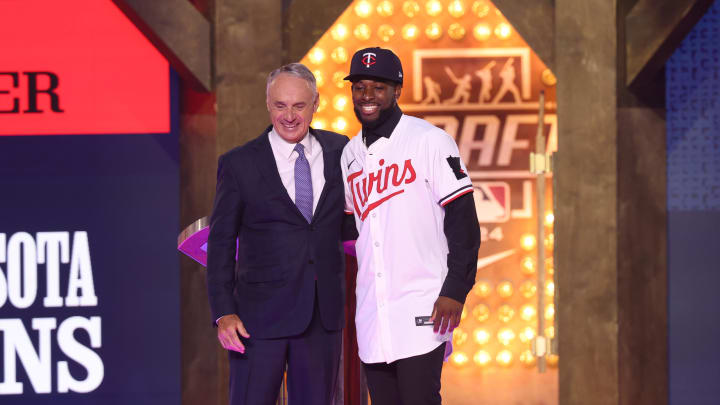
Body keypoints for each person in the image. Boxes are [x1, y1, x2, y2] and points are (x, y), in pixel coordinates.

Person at [206, 63, 353, 405]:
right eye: (280, 105)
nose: (289, 116)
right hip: (256, 321)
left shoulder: (341, 151)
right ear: (268, 104)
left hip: (321, 318)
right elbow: (221, 241)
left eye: (299, 106)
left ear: (315, 103)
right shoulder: (239, 163)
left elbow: (354, 219)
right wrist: (223, 311)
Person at [341, 47, 481, 405]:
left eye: (378, 87)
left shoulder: (429, 141)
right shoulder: (349, 155)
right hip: (373, 312)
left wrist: (455, 289)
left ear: (397, 89)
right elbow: (352, 232)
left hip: (424, 304)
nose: (367, 96)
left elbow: (463, 223)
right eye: (360, 87)